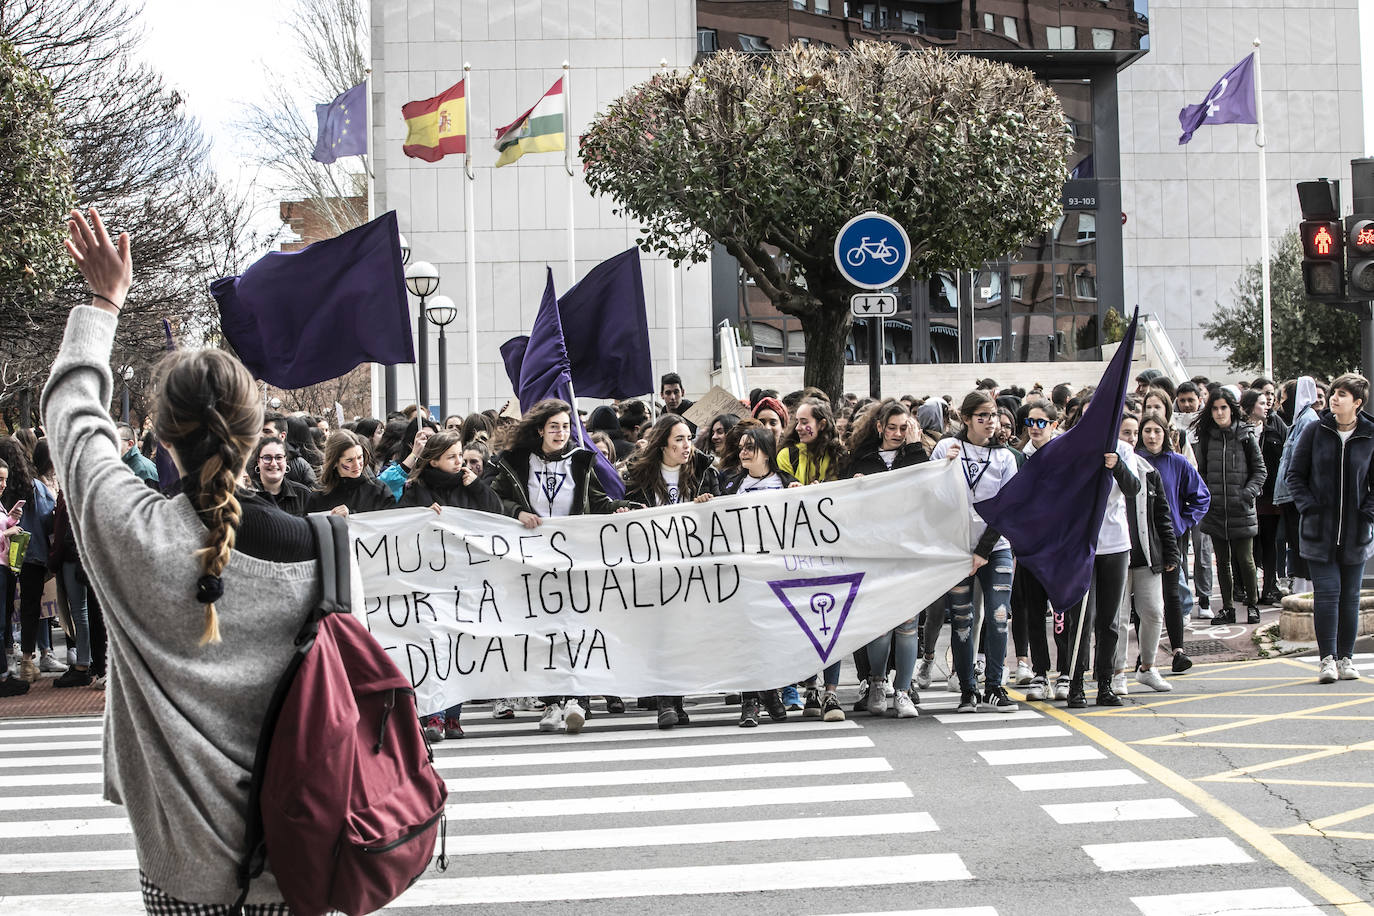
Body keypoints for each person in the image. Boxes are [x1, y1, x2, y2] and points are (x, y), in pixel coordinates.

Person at [51, 206, 321, 909]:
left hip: (179, 867)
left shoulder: (129, 534)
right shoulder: (324, 549)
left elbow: (73, 419)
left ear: (161, 436)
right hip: (300, 852)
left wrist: (104, 303)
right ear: (259, 429)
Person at [491, 399, 636, 733]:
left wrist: (619, 509)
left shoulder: (581, 462)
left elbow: (596, 501)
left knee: (574, 629)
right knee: (544, 632)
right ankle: (552, 702)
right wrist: (517, 512)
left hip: (572, 560)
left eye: (566, 426)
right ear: (540, 429)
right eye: (553, 426)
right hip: (531, 561)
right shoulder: (516, 463)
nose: (560, 432)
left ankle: (576, 700)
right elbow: (495, 499)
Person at [929, 391, 1020, 714]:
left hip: (995, 548)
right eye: (981, 416)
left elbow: (1008, 508)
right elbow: (928, 495)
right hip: (956, 549)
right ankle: (968, 688)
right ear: (966, 419)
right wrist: (944, 466)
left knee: (997, 616)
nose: (989, 422)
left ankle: (995, 685)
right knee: (963, 620)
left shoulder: (1006, 457)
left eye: (993, 415)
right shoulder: (945, 448)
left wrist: (983, 551)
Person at [1286, 373, 1374, 684]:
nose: (1334, 398)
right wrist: (1309, 507)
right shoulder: (1314, 430)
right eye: (1333, 392)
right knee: (1327, 594)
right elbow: (1294, 475)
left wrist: (1368, 513)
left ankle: (1346, 659)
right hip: (1317, 532)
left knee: (1349, 597)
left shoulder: (1370, 435)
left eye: (1342, 395)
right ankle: (1327, 660)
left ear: (1358, 402)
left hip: (1356, 533)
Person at [842, 399, 927, 719]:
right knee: (879, 625)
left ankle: (903, 691)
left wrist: (916, 446)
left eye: (903, 428)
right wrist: (854, 487)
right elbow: (846, 504)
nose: (897, 433)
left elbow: (925, 487)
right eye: (891, 427)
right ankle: (877, 682)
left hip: (908, 550)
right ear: (878, 427)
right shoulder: (861, 459)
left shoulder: (916, 455)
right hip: (873, 551)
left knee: (908, 624)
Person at [1137, 412, 1210, 674]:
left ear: (1166, 434)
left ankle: (1178, 650)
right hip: (1141, 539)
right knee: (1144, 599)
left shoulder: (1177, 462)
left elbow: (1201, 497)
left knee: (1171, 593)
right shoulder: (1135, 461)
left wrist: (1182, 522)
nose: (1152, 436)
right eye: (1147, 431)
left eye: (1157, 431)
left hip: (1170, 537)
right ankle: (1146, 654)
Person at [1193, 386, 1266, 625]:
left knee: (1245, 561)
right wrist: (1207, 498)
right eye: (1214, 408)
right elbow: (1201, 473)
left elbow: (1260, 471)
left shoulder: (1246, 435)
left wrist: (1247, 494)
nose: (1219, 412)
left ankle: (1253, 605)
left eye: (1223, 407)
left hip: (1241, 509)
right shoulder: (1206, 438)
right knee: (1222, 563)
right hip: (1215, 511)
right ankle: (1227, 608)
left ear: (1232, 409)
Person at [1117, 414, 1179, 693]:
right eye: (1126, 433)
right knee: (1118, 618)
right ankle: (1117, 671)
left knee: (1153, 611)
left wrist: (1170, 552)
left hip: (1146, 556)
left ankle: (1147, 667)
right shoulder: (1104, 468)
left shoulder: (1148, 471)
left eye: (1134, 433)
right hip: (1116, 556)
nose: (1131, 439)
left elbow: (1162, 515)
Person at [1008, 402, 1063, 700]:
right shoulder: (1021, 457)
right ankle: (1041, 673)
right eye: (1030, 421)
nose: (1034, 427)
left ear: (1054, 425)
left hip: (1058, 547)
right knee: (1032, 612)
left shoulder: (1066, 453)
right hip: (1030, 546)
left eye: (1041, 422)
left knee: (1062, 613)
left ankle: (1065, 672)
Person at [1273, 377, 1319, 596]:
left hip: (1296, 494)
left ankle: (1306, 583)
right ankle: (1299, 580)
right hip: (1289, 494)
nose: (1282, 403)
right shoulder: (1299, 419)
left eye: (1284, 398)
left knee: (1300, 540)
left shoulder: (1308, 420)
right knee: (1294, 539)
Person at [306, 431, 393, 515]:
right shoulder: (318, 495)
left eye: (359, 457)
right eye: (350, 460)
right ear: (335, 462)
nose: (357, 465)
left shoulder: (378, 490)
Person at [778, 398, 845, 487]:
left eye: (804, 422)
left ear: (822, 425)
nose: (797, 428)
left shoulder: (839, 455)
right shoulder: (787, 456)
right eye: (797, 422)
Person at [377, 417, 438, 501]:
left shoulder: (442, 465)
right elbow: (380, 485)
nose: (429, 443)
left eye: (433, 438)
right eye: (425, 438)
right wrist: (414, 454)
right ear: (410, 443)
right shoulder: (394, 468)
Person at [248, 437, 311, 516]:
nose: (273, 463)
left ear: (286, 461)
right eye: (267, 458)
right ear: (258, 461)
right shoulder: (247, 495)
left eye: (279, 458)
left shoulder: (302, 494)